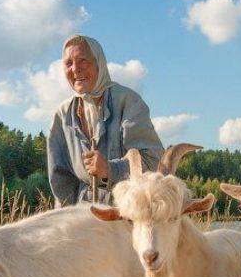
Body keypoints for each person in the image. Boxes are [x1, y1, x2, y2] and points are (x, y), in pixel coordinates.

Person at [46, 34, 164, 206]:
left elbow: (153, 161)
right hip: (83, 217)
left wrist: (110, 170)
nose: (75, 69)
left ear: (99, 63)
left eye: (83, 60)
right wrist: (68, 219)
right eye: (68, 63)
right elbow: (59, 179)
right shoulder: (62, 115)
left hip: (126, 210)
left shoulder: (128, 102)